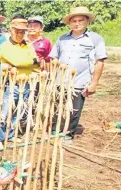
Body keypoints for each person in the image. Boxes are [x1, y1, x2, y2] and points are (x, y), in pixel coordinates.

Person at [50, 7, 106, 143]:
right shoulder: (62, 38)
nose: (77, 23)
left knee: (74, 110)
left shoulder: (95, 39)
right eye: (74, 21)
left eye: (80, 20)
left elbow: (100, 62)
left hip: (80, 81)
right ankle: (54, 131)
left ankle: (68, 134)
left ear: (87, 21)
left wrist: (94, 83)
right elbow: (54, 57)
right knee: (58, 107)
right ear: (69, 23)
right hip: (60, 80)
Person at [0, 16, 40, 148]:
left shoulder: (27, 46)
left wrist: (30, 62)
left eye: (22, 32)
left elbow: (36, 65)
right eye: (17, 31)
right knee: (5, 112)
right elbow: (17, 61)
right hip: (11, 84)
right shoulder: (5, 46)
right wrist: (30, 62)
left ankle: (11, 136)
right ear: (11, 30)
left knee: (19, 111)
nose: (20, 34)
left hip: (26, 84)